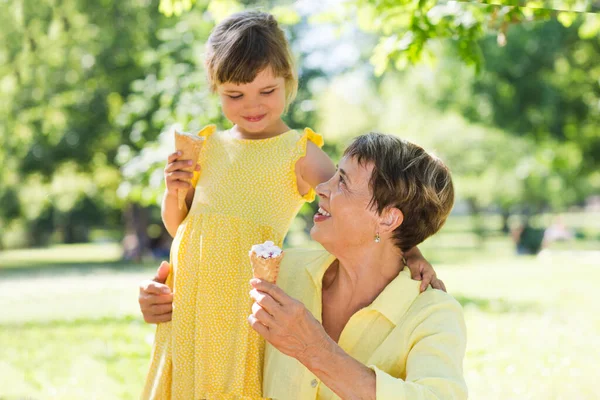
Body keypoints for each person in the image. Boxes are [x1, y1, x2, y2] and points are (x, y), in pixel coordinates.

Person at [143, 10, 441, 399]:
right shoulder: (208, 146)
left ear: (288, 81)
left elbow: (362, 206)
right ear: (215, 88)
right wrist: (173, 191)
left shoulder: (298, 153)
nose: (252, 105)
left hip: (239, 309)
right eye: (235, 95)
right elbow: (180, 225)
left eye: (267, 92)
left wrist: (410, 250)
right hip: (190, 306)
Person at [140, 133, 464, 399]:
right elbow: (211, 307)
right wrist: (167, 304)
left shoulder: (433, 313)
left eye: (343, 183)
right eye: (333, 173)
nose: (321, 188)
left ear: (388, 218)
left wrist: (315, 350)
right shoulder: (283, 270)